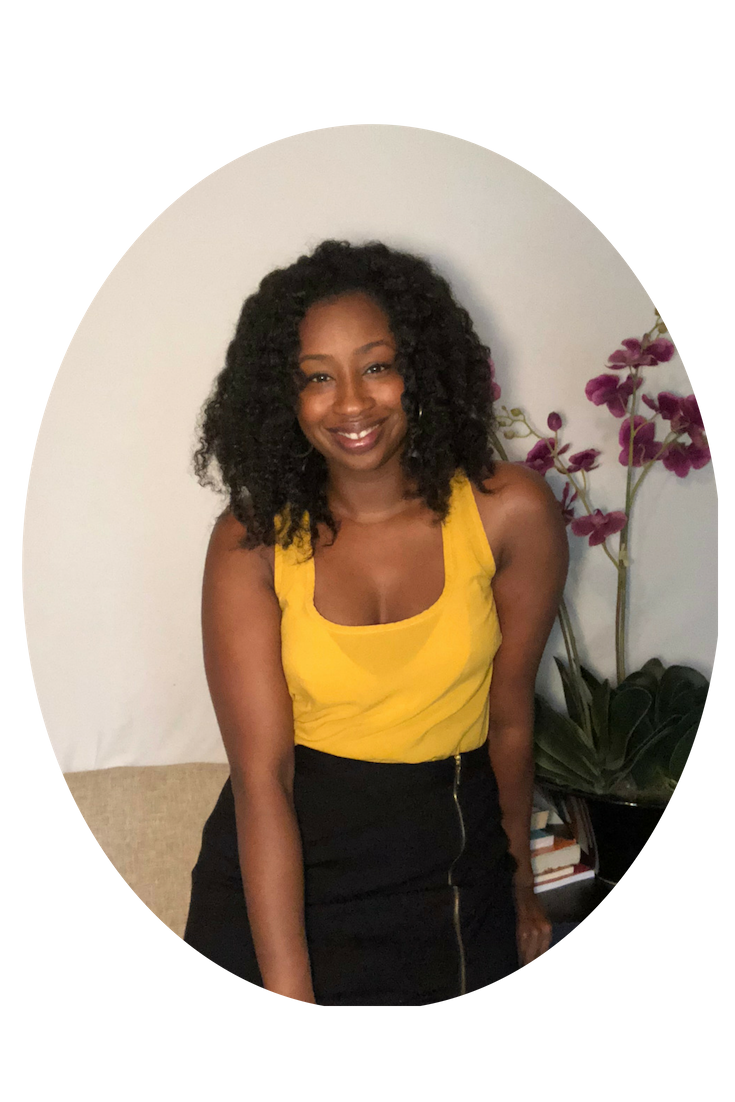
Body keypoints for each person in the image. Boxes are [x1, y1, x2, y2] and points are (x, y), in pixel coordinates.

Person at [184, 239, 568, 1007]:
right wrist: (288, 984)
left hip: (450, 865)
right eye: (317, 377)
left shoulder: (511, 513)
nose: (351, 403)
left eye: (377, 366)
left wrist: (520, 886)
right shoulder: (251, 541)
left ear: (419, 370)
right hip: (280, 880)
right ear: (284, 396)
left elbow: (508, 722)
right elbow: (263, 780)